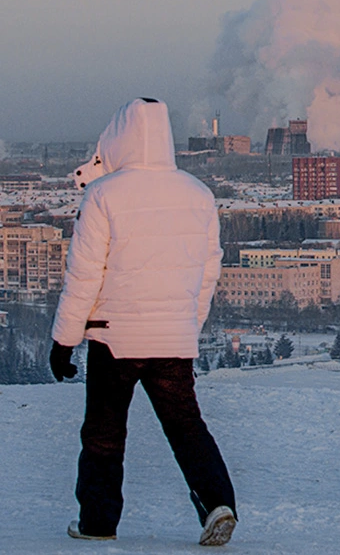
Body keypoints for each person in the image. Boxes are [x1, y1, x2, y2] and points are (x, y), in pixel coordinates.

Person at [49, 98, 237, 546]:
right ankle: (217, 504)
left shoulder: (103, 194)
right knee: (187, 427)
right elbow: (208, 272)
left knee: (104, 430)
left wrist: (63, 339)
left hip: (114, 339)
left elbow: (84, 275)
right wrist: (187, 324)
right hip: (172, 339)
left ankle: (98, 522)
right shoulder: (198, 193)